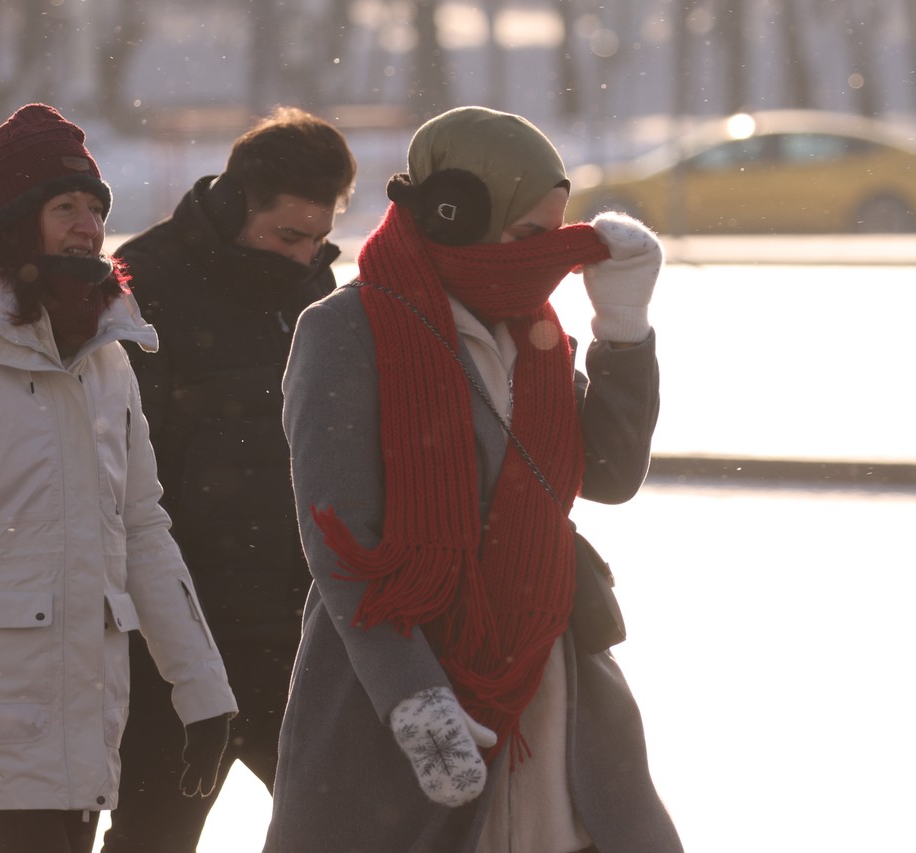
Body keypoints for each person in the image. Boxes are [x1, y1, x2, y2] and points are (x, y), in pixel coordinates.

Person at [264, 106, 683, 852]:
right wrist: (413, 698)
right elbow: (339, 538)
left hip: (548, 672)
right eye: (528, 236)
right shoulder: (346, 329)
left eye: (556, 236)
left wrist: (624, 328)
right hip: (406, 677)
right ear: (455, 214)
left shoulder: (536, 332)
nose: (547, 257)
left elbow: (611, 474)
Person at [0, 104, 237, 853]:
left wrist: (201, 691)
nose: (87, 225)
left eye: (96, 208)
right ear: (13, 220)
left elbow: (141, 526)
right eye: (64, 206)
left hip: (83, 713)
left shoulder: (106, 355)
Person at [100, 106, 356, 852]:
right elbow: (120, 478)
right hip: (178, 644)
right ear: (240, 200)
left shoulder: (318, 287)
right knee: (154, 834)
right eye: (287, 235)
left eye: (319, 237)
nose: (304, 253)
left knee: (347, 828)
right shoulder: (142, 283)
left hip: (298, 632)